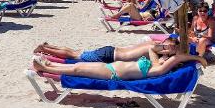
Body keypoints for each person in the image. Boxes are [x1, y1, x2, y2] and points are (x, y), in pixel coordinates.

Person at [33, 38, 204, 81]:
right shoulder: (155, 52)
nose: (169, 51)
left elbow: (178, 58)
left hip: (112, 66)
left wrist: (195, 57)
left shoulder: (158, 67)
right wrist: (196, 57)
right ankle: (47, 61)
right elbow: (175, 56)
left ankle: (47, 64)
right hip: (110, 59)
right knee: (75, 59)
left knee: (76, 63)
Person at [34, 39, 168, 63]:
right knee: (74, 56)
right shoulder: (154, 48)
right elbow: (157, 63)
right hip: (109, 56)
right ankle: (44, 48)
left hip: (110, 51)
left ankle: (49, 46)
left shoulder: (152, 42)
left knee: (76, 52)